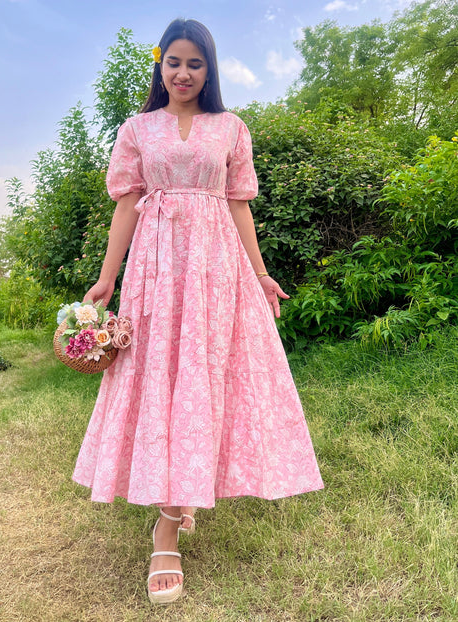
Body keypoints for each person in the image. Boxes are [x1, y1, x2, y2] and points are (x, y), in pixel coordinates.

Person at [72, 18, 323, 605]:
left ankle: (177, 504)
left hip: (216, 271)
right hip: (157, 274)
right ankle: (168, 520)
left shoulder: (231, 128)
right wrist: (107, 278)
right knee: (160, 379)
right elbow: (126, 207)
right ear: (160, 67)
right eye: (173, 62)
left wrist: (261, 274)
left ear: (210, 70)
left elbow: (239, 207)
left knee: (206, 382)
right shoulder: (136, 129)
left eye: (195, 63)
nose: (183, 73)